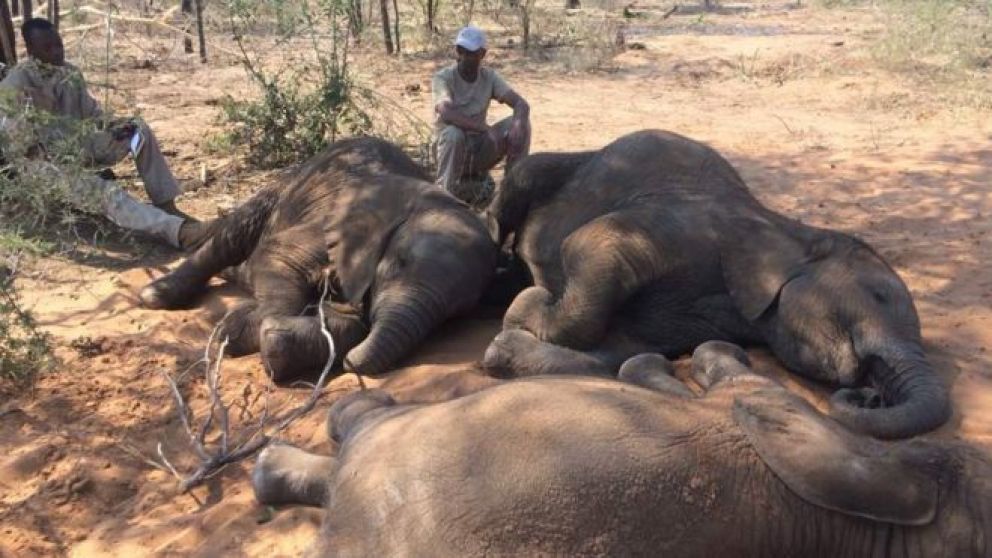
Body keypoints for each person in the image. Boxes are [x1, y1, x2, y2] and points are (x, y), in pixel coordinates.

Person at [0, 18, 208, 250]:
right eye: (47, 48)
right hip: (46, 167)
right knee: (107, 193)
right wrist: (44, 157)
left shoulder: (71, 73)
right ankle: (177, 231)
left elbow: (93, 114)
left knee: (139, 130)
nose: (57, 52)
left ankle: (166, 203)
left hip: (80, 147)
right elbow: (16, 145)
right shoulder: (15, 84)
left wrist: (114, 126)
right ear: (31, 51)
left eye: (58, 44)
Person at [432, 25, 531, 204]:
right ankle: (443, 198)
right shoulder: (443, 78)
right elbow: (446, 112)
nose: (466, 57)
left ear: (482, 55)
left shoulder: (489, 77)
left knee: (521, 124)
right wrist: (485, 129)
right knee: (454, 134)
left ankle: (512, 190)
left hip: (478, 147)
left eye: (472, 53)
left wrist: (518, 125)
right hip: (450, 149)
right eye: (463, 51)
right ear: (457, 52)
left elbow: (521, 104)